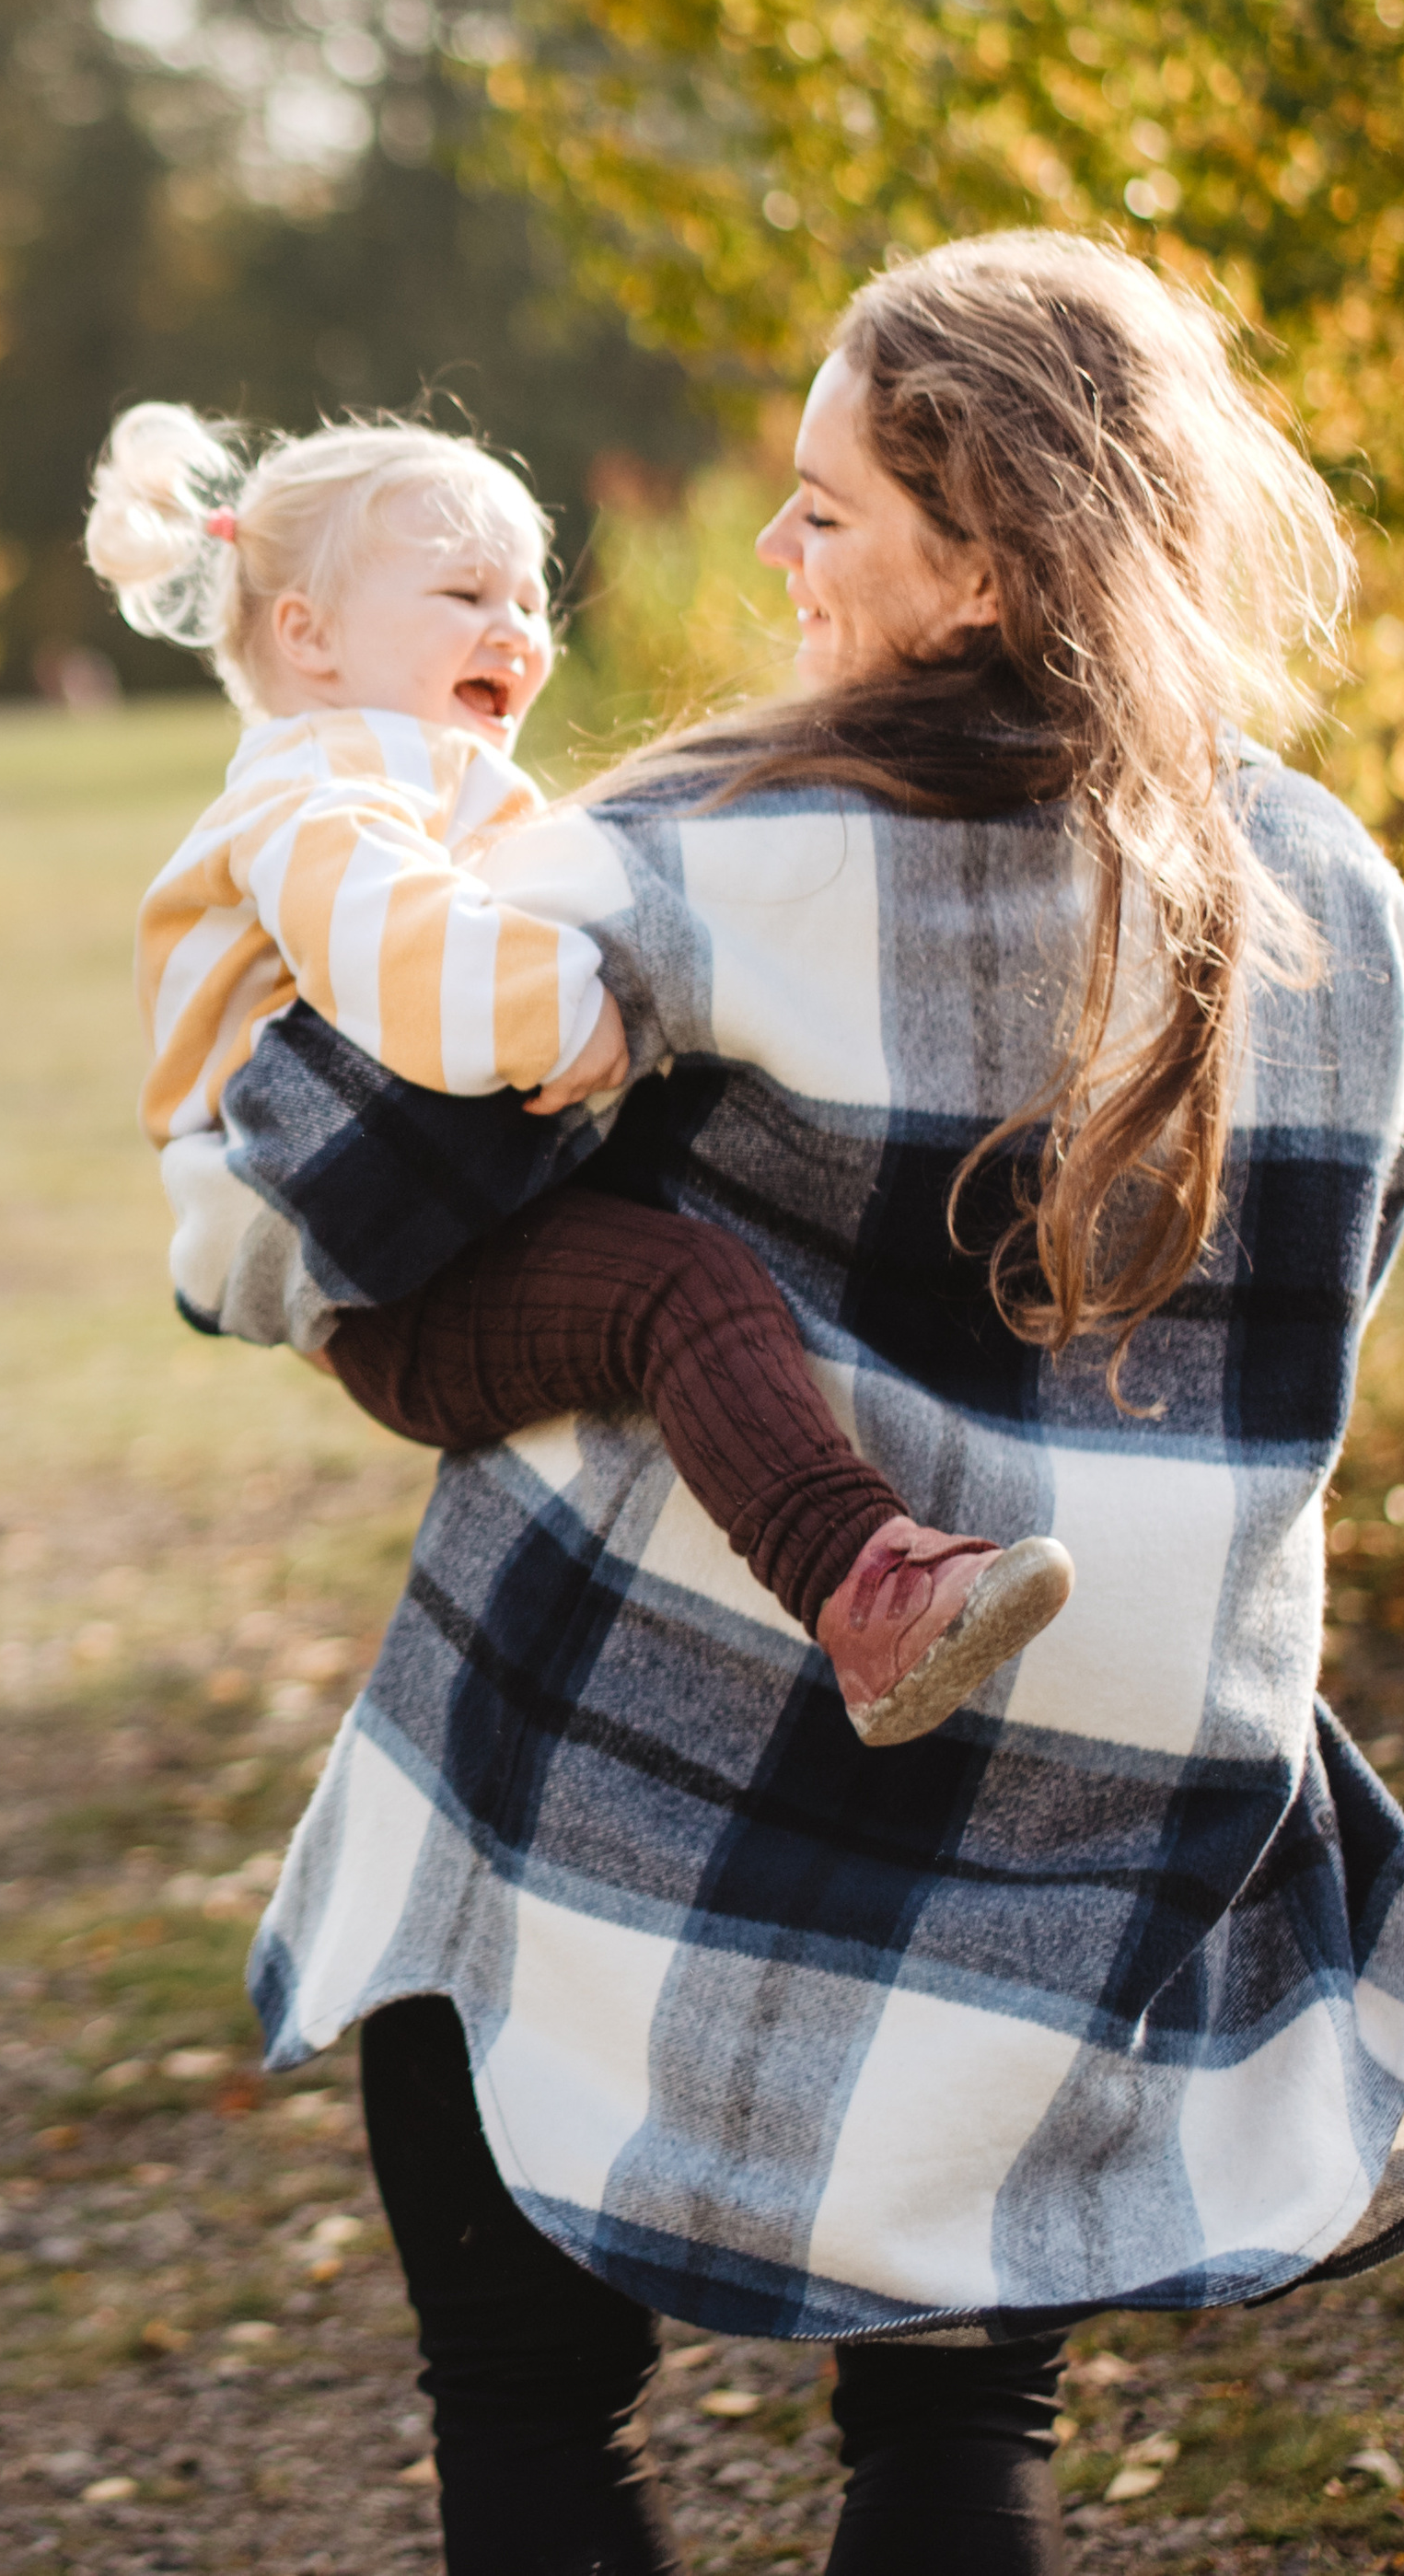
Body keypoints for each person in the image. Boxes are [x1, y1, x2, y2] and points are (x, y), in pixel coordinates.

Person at [215, 234, 1404, 2576]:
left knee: (532, 2419)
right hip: (1085, 1822)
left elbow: (290, 1222)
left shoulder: (708, 847)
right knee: (955, 2458)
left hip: (628, 1792)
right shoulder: (1335, 901)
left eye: (825, 507)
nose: (771, 552)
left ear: (979, 564)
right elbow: (1321, 1313)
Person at [84, 402, 1074, 1746]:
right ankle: (869, 1596)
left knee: (696, 1270)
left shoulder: (408, 773)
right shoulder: (314, 794)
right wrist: (561, 1016)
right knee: (683, 1292)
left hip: (410, 1236)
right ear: (306, 636)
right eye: (463, 593)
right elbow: (395, 948)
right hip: (366, 1257)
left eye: (530, 600)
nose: (517, 632)